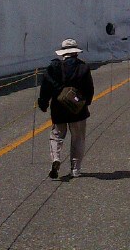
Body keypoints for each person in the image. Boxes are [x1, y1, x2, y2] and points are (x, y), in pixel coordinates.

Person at [38, 39, 94, 178]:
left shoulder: (54, 67)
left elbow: (46, 87)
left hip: (58, 108)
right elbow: (89, 89)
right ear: (76, 52)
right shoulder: (83, 67)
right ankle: (75, 169)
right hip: (77, 109)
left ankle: (56, 158)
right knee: (78, 138)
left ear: (63, 53)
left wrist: (43, 104)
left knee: (57, 135)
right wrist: (85, 103)